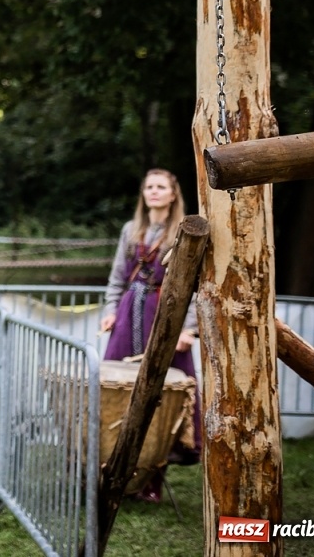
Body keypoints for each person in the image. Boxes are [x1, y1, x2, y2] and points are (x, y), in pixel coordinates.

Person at [99, 168, 200, 502]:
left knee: (166, 399)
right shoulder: (132, 229)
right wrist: (110, 311)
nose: (154, 192)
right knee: (119, 395)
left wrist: (189, 329)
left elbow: (197, 287)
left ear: (173, 194)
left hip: (167, 318)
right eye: (149, 187)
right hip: (129, 317)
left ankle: (153, 482)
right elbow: (117, 278)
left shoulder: (185, 230)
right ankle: (114, 476)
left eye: (161, 187)